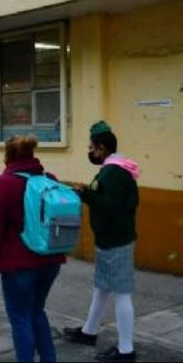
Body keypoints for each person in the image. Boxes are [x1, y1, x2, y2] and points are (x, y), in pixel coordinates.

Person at [0, 136, 66, 363]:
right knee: (37, 311)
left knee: (20, 318)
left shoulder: (6, 183)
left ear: (8, 156)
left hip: (18, 264)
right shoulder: (49, 179)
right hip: (50, 260)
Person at [63, 122, 140, 363]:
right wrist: (88, 191)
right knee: (102, 288)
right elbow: (108, 198)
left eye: (91, 148)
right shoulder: (113, 169)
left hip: (117, 242)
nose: (90, 152)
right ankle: (89, 332)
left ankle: (126, 351)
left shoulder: (114, 172)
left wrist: (86, 195)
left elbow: (111, 207)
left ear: (102, 148)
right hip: (109, 240)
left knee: (121, 294)